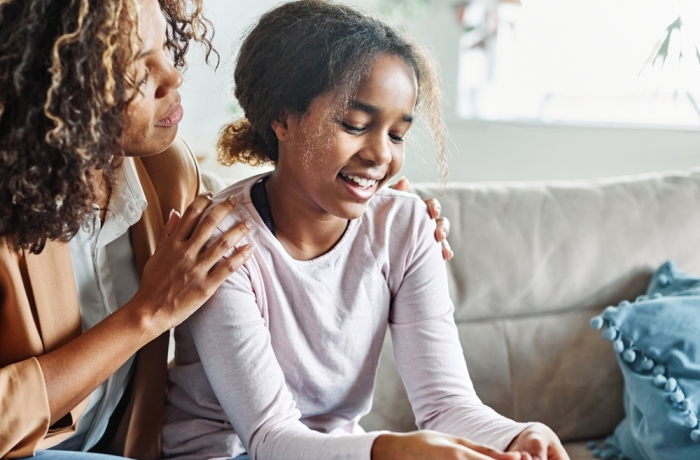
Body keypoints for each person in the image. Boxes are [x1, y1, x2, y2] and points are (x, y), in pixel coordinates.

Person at [0, 0, 450, 458]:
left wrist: (371, 199)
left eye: (167, 49)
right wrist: (146, 313)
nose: (174, 78)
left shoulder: (165, 170)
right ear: (57, 87)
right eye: (138, 68)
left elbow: (264, 205)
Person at [162, 1, 570, 460]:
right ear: (283, 118)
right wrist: (394, 449)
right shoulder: (224, 244)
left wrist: (517, 436)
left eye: (396, 135)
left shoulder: (406, 226)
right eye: (355, 125)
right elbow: (269, 438)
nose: (381, 155)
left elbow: (446, 404)